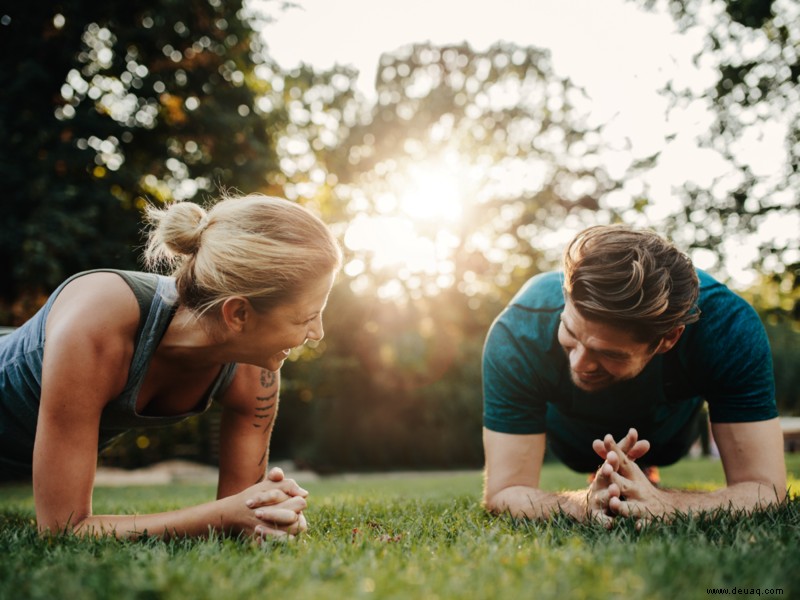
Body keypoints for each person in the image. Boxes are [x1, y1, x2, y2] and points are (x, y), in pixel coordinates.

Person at [0, 193, 342, 540]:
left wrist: (269, 513)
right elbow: (61, 529)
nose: (318, 333)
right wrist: (222, 515)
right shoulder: (96, 323)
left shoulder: (256, 369)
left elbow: (245, 513)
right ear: (238, 314)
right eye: (307, 317)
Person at [482, 224, 786, 525]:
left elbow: (766, 489)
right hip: (573, 441)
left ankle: (645, 469)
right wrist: (583, 505)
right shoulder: (517, 333)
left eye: (609, 352)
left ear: (669, 338)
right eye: (570, 332)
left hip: (667, 437)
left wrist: (666, 504)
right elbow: (504, 491)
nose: (578, 363)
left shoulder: (729, 328)